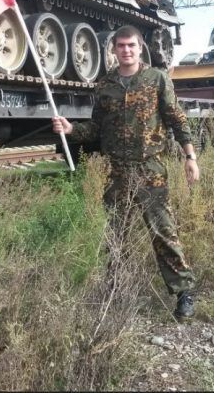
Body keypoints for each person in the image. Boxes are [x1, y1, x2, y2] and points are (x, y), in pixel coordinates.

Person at [52, 25, 199, 319]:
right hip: (117, 173)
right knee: (116, 233)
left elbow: (176, 119)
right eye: (120, 46)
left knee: (162, 231)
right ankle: (116, 289)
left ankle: (184, 292)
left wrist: (190, 156)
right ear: (114, 49)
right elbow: (96, 128)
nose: (126, 50)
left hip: (150, 170)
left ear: (140, 47)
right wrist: (71, 129)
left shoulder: (156, 79)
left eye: (131, 45)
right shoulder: (106, 85)